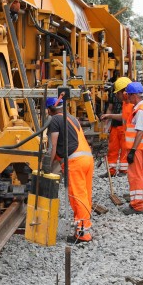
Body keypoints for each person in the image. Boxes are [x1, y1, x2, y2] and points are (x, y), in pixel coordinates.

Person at [46, 97, 95, 243]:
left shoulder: (54, 120)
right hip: (87, 159)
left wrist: (47, 165)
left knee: (77, 196)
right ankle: (84, 226)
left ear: (50, 109)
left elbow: (53, 146)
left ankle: (83, 234)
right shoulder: (72, 118)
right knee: (85, 195)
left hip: (75, 162)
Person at [121, 81, 143, 215]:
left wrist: (132, 151)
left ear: (134, 95)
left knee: (135, 176)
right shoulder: (140, 108)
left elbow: (140, 131)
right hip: (142, 148)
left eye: (129, 95)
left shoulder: (140, 111)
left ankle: (137, 205)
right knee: (142, 175)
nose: (127, 98)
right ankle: (141, 202)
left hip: (137, 149)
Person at [99, 76, 132, 178]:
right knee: (112, 148)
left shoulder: (130, 100)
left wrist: (109, 116)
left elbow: (124, 117)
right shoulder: (114, 95)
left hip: (124, 126)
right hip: (115, 126)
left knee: (124, 149)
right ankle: (111, 171)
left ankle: (123, 170)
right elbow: (110, 108)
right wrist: (106, 123)